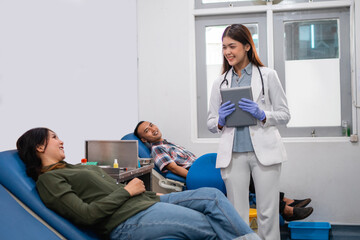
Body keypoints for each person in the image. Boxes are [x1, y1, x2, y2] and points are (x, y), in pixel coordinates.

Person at [16, 127, 260, 240]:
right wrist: (128, 192)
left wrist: (129, 190)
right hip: (127, 221)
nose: (61, 141)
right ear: (39, 147)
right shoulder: (49, 180)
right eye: (54, 137)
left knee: (211, 196)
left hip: (145, 203)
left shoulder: (69, 167)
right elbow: (86, 215)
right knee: (210, 226)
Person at [134, 120, 313, 222]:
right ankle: (285, 208)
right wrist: (200, 178)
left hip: (204, 171)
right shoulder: (157, 149)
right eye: (147, 131)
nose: (153, 129)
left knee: (250, 175)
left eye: (151, 125)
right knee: (245, 176)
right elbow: (172, 168)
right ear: (144, 138)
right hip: (200, 175)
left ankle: (284, 202)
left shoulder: (168, 143)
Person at [207, 24, 290, 240]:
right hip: (233, 154)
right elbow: (210, 121)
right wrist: (220, 121)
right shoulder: (220, 82)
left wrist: (263, 114)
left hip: (264, 152)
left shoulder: (268, 75)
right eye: (224, 47)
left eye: (232, 46)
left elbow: (284, 114)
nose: (227, 52)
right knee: (237, 214)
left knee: (267, 213)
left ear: (246, 46)